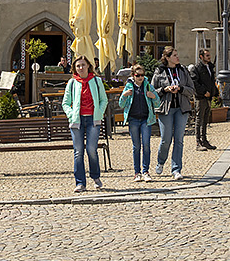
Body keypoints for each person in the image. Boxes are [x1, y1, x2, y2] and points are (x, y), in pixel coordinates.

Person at [60, 56, 108, 191]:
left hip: (93, 119)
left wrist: (100, 112)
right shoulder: (72, 83)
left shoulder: (97, 81)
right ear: (75, 68)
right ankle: (80, 182)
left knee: (91, 150)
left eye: (83, 65)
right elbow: (65, 103)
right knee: (78, 151)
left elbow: (104, 100)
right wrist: (70, 115)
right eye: (78, 66)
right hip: (77, 121)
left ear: (88, 66)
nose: (81, 68)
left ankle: (95, 176)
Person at [151, 47, 195, 179]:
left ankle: (176, 169)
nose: (177, 57)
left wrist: (180, 89)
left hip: (181, 108)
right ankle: (160, 162)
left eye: (177, 54)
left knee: (179, 140)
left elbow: (191, 89)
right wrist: (165, 90)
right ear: (168, 58)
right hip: (166, 109)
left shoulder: (182, 70)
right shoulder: (159, 71)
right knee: (166, 139)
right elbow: (152, 91)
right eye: (175, 55)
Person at [118, 63, 160, 182]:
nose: (140, 77)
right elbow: (121, 104)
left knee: (146, 145)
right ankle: (137, 172)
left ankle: (146, 171)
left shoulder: (148, 86)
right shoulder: (129, 86)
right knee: (136, 146)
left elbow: (158, 103)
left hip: (146, 119)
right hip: (133, 120)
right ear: (133, 75)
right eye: (138, 75)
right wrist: (124, 95)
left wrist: (153, 96)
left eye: (142, 75)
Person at [192, 48, 218, 150]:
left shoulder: (210, 67)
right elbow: (195, 82)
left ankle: (205, 140)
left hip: (208, 97)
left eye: (209, 55)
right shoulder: (197, 68)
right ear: (201, 57)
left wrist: (215, 92)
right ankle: (198, 142)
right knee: (199, 119)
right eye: (207, 55)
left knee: (206, 119)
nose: (209, 57)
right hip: (201, 97)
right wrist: (203, 92)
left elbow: (211, 81)